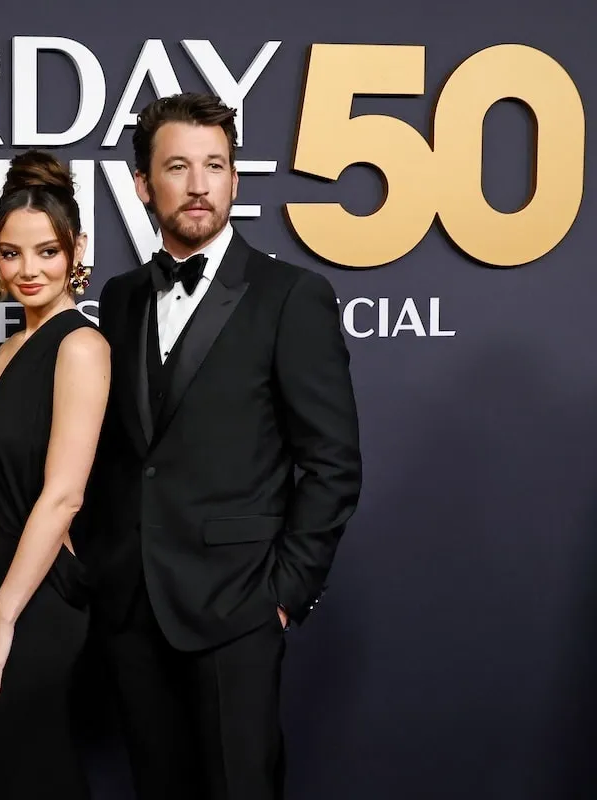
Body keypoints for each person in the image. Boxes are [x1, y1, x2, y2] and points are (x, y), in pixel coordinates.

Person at [81, 92, 363, 800]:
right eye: (178, 166)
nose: (200, 184)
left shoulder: (291, 295)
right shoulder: (118, 299)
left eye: (216, 165)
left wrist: (282, 595)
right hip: (133, 606)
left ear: (236, 179)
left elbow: (332, 462)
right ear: (144, 185)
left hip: (237, 606)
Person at [0, 149, 111, 800]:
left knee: (35, 771)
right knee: (1, 773)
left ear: (75, 252)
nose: (28, 270)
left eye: (47, 252)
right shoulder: (8, 349)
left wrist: (2, 618)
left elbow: (63, 495)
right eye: (12, 253)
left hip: (34, 602)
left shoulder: (81, 345)